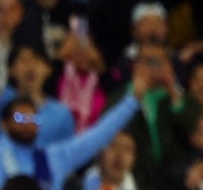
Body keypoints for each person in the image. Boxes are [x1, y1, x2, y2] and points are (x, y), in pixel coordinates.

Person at [0, 71, 148, 189]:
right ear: (4, 124)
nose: (27, 123)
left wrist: (132, 101)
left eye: (33, 118)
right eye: (20, 118)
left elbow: (97, 136)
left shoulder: (53, 158)